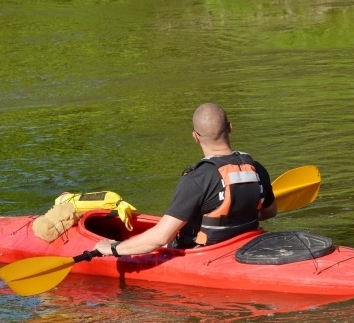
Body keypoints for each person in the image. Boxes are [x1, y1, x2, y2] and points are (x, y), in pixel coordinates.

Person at [94, 103, 277, 258]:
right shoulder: (256, 169)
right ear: (230, 127)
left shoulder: (196, 179)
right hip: (245, 246)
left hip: (204, 254)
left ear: (195, 137)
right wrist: (240, 213)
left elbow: (160, 237)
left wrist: (112, 248)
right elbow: (270, 211)